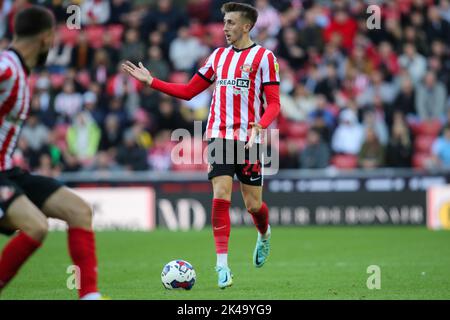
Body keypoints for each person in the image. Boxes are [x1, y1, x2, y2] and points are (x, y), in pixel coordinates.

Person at [122, 2, 280, 289]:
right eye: (224, 22)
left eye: (231, 22)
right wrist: (152, 82)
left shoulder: (264, 58)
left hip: (249, 140)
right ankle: (222, 267)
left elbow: (275, 102)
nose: (225, 27)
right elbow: (188, 91)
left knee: (253, 205)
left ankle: (265, 233)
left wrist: (261, 124)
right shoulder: (218, 56)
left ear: (246, 26)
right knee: (221, 194)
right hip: (218, 135)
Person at [0, 6, 105, 300]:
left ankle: (89, 296)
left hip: (8, 170)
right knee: (35, 226)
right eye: (55, 36)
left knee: (79, 211)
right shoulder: (8, 67)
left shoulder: (19, 70)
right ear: (46, 37)